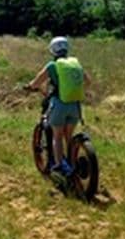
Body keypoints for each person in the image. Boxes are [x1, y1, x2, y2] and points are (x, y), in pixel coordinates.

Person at [26, 36, 92, 178]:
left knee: (57, 135)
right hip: (75, 105)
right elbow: (88, 81)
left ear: (52, 51)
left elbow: (37, 82)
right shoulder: (75, 64)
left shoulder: (52, 65)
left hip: (59, 104)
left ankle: (59, 165)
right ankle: (72, 161)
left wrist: (30, 86)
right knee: (68, 135)